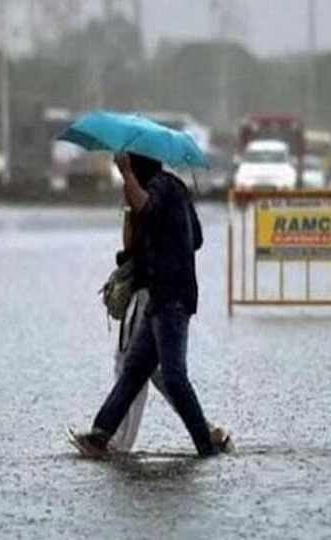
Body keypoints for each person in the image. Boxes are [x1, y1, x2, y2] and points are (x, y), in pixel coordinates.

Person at [72, 152, 228, 458]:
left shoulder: (161, 188)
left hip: (172, 297)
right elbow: (195, 238)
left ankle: (206, 442)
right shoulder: (175, 188)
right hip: (159, 297)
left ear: (139, 165)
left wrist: (126, 174)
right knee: (133, 370)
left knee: (173, 376)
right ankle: (100, 436)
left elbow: (150, 207)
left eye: (131, 166)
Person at [109, 208, 233, 453]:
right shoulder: (165, 195)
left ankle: (120, 441)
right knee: (152, 369)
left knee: (131, 364)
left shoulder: (143, 192)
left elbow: (132, 244)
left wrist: (128, 216)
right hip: (161, 290)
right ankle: (207, 430)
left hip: (149, 291)